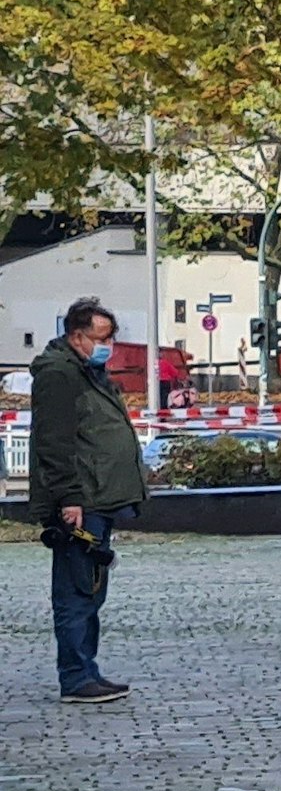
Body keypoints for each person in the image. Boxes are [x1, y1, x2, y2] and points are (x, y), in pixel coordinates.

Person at [29, 298, 146, 704]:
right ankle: (76, 677)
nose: (109, 344)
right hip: (82, 500)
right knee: (77, 589)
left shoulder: (88, 371)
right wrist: (68, 499)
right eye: (102, 337)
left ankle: (86, 670)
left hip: (99, 496)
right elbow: (55, 443)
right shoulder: (60, 375)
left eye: (111, 336)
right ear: (77, 336)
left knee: (91, 588)